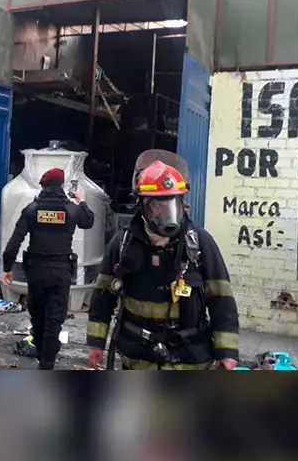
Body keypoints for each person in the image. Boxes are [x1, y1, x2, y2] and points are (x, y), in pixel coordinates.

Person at [87, 151, 240, 370]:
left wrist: (227, 352)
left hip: (188, 357)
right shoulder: (122, 244)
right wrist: (96, 344)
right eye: (157, 205)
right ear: (141, 205)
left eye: (172, 204)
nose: (167, 214)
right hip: (138, 359)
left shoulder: (200, 244)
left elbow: (222, 300)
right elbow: (102, 298)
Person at [2, 167, 95, 370]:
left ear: (43, 186)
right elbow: (89, 221)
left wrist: (7, 267)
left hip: (36, 273)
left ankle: (42, 357)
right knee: (54, 321)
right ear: (61, 185)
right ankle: (47, 364)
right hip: (61, 273)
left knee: (38, 317)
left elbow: (14, 242)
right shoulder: (71, 209)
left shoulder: (31, 209)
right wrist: (81, 201)